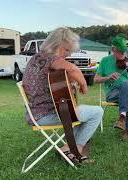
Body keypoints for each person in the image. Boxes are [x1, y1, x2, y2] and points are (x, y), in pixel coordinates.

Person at [22, 27, 104, 164]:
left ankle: (70, 149)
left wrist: (69, 84)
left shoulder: (37, 57)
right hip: (45, 116)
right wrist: (83, 84)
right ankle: (73, 149)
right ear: (57, 45)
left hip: (34, 113)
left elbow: (55, 81)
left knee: (79, 110)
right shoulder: (49, 58)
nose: (67, 54)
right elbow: (72, 68)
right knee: (97, 112)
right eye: (66, 50)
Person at [94, 35, 128, 141]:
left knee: (127, 85)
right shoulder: (105, 61)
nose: (124, 55)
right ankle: (127, 129)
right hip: (112, 93)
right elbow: (96, 79)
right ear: (114, 50)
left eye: (125, 52)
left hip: (127, 91)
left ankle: (122, 118)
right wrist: (108, 77)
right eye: (121, 52)